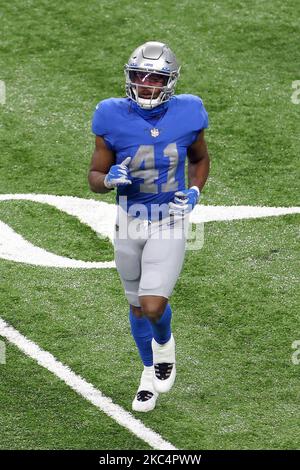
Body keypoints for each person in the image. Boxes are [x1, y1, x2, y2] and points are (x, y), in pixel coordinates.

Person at [88, 41, 210, 412]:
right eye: (139, 76)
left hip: (168, 219)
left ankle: (165, 349)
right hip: (128, 221)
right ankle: (147, 372)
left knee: (153, 305)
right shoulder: (110, 114)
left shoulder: (190, 110)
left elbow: (200, 159)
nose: (145, 84)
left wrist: (193, 191)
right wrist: (109, 179)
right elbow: (94, 175)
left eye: (155, 78)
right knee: (136, 307)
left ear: (169, 82)